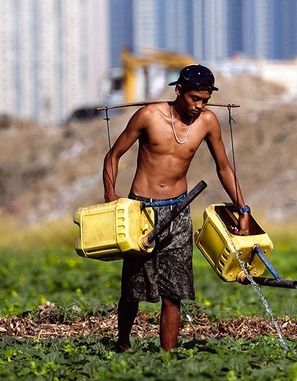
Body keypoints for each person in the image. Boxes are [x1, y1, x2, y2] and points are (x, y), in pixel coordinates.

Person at [102, 64, 252, 352]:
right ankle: (122, 344)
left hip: (179, 210)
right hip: (141, 211)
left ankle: (166, 360)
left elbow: (224, 168)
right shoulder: (149, 116)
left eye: (205, 100)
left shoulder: (208, 122)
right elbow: (113, 155)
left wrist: (242, 210)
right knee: (133, 290)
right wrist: (111, 193)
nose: (199, 106)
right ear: (178, 91)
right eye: (194, 98)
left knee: (174, 294)